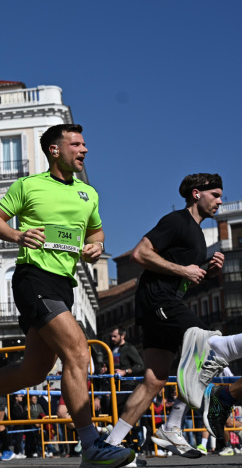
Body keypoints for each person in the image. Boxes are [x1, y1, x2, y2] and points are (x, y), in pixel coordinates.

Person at [0, 124, 134, 468]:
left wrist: (97, 246)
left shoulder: (88, 193)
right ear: (55, 150)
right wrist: (19, 235)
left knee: (35, 371)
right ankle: (91, 445)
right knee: (78, 352)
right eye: (76, 144)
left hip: (64, 285)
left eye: (84, 144)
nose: (84, 150)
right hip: (33, 278)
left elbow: (97, 231)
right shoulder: (29, 185)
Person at [103, 173, 226, 459]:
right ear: (197, 194)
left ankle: (109, 444)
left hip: (164, 303)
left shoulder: (196, 234)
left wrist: (209, 274)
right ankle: (171, 426)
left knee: (155, 380)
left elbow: (184, 277)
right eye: (216, 195)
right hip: (158, 302)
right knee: (209, 344)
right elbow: (140, 254)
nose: (220, 201)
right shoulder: (177, 222)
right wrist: (185, 270)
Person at [108, 327, 144, 447]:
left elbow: (140, 365)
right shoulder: (111, 348)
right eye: (111, 336)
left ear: (122, 336)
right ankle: (127, 441)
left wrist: (126, 371)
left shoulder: (129, 348)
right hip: (114, 385)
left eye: (115, 336)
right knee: (114, 411)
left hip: (127, 384)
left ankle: (136, 435)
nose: (112, 339)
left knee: (123, 411)